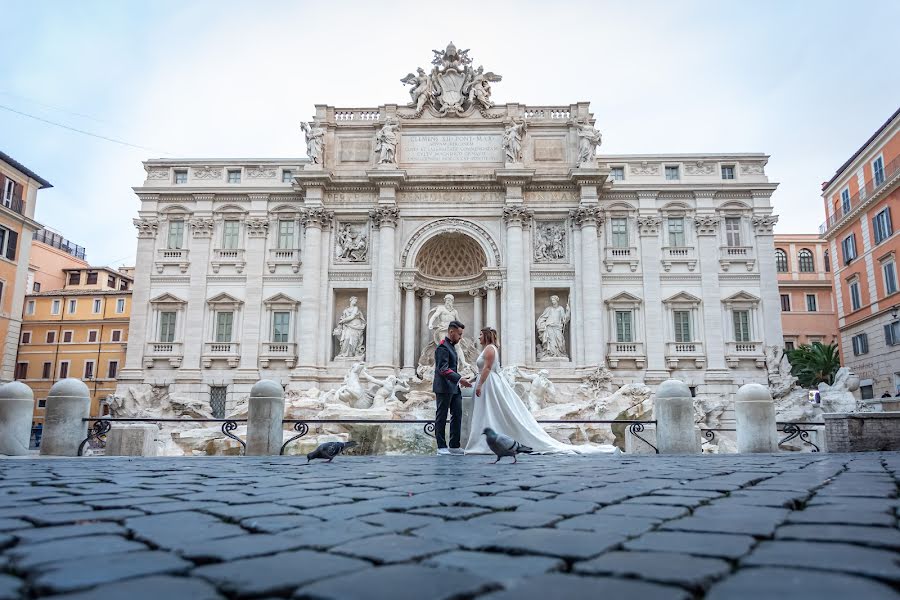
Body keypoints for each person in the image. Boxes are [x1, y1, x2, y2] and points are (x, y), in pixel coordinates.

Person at [464, 327, 616, 455]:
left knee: (488, 412)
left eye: (480, 335)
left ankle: (485, 444)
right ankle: (486, 443)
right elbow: (482, 370)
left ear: (486, 336)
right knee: (488, 412)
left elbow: (488, 368)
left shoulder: (490, 349)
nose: (478, 337)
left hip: (489, 384)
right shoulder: (489, 349)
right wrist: (472, 381)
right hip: (488, 383)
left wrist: (479, 385)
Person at [432, 320, 472, 455]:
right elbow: (443, 369)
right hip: (443, 387)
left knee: (457, 414)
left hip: (454, 387)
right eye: (459, 334)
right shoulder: (442, 347)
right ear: (451, 332)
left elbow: (451, 369)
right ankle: (441, 447)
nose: (461, 337)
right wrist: (460, 379)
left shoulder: (451, 346)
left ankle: (454, 445)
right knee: (442, 416)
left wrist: (460, 379)